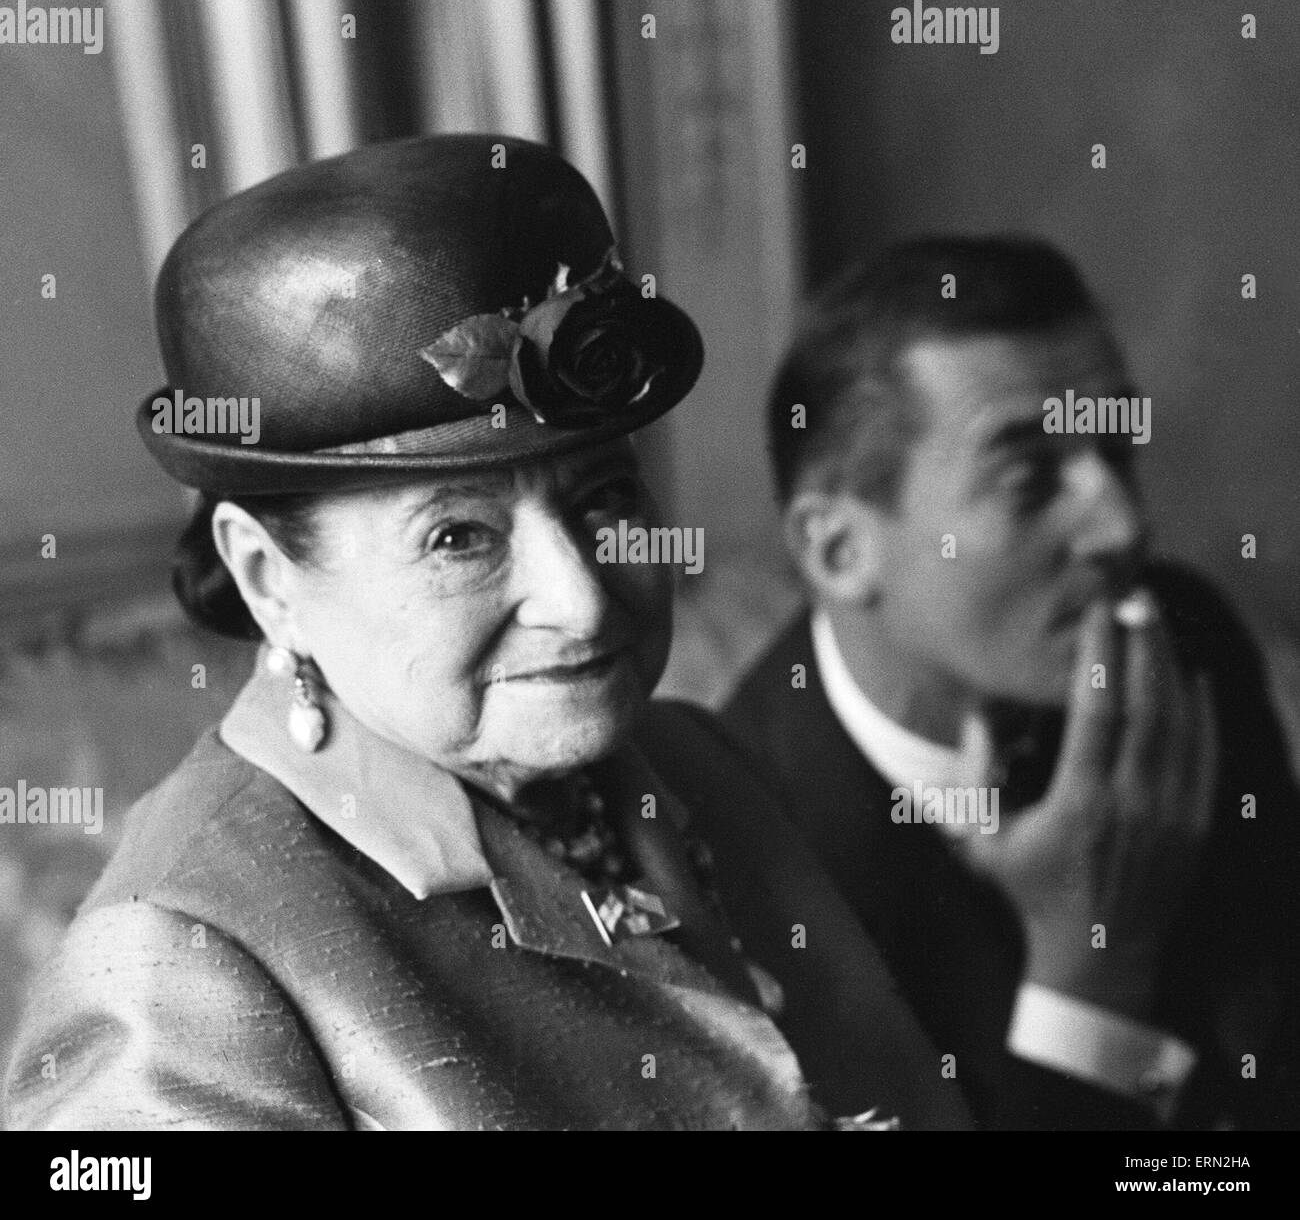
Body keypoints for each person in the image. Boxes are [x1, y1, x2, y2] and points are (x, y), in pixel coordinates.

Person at [2, 135, 968, 1132]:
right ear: (266, 577)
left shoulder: (704, 770)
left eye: (604, 496)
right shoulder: (179, 960)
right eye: (458, 536)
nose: (582, 599)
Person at [722, 236, 1300, 1130]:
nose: (1122, 525)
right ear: (839, 551)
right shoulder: (735, 846)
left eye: (1117, 449)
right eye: (1030, 476)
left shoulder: (1187, 651)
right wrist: (1093, 973)